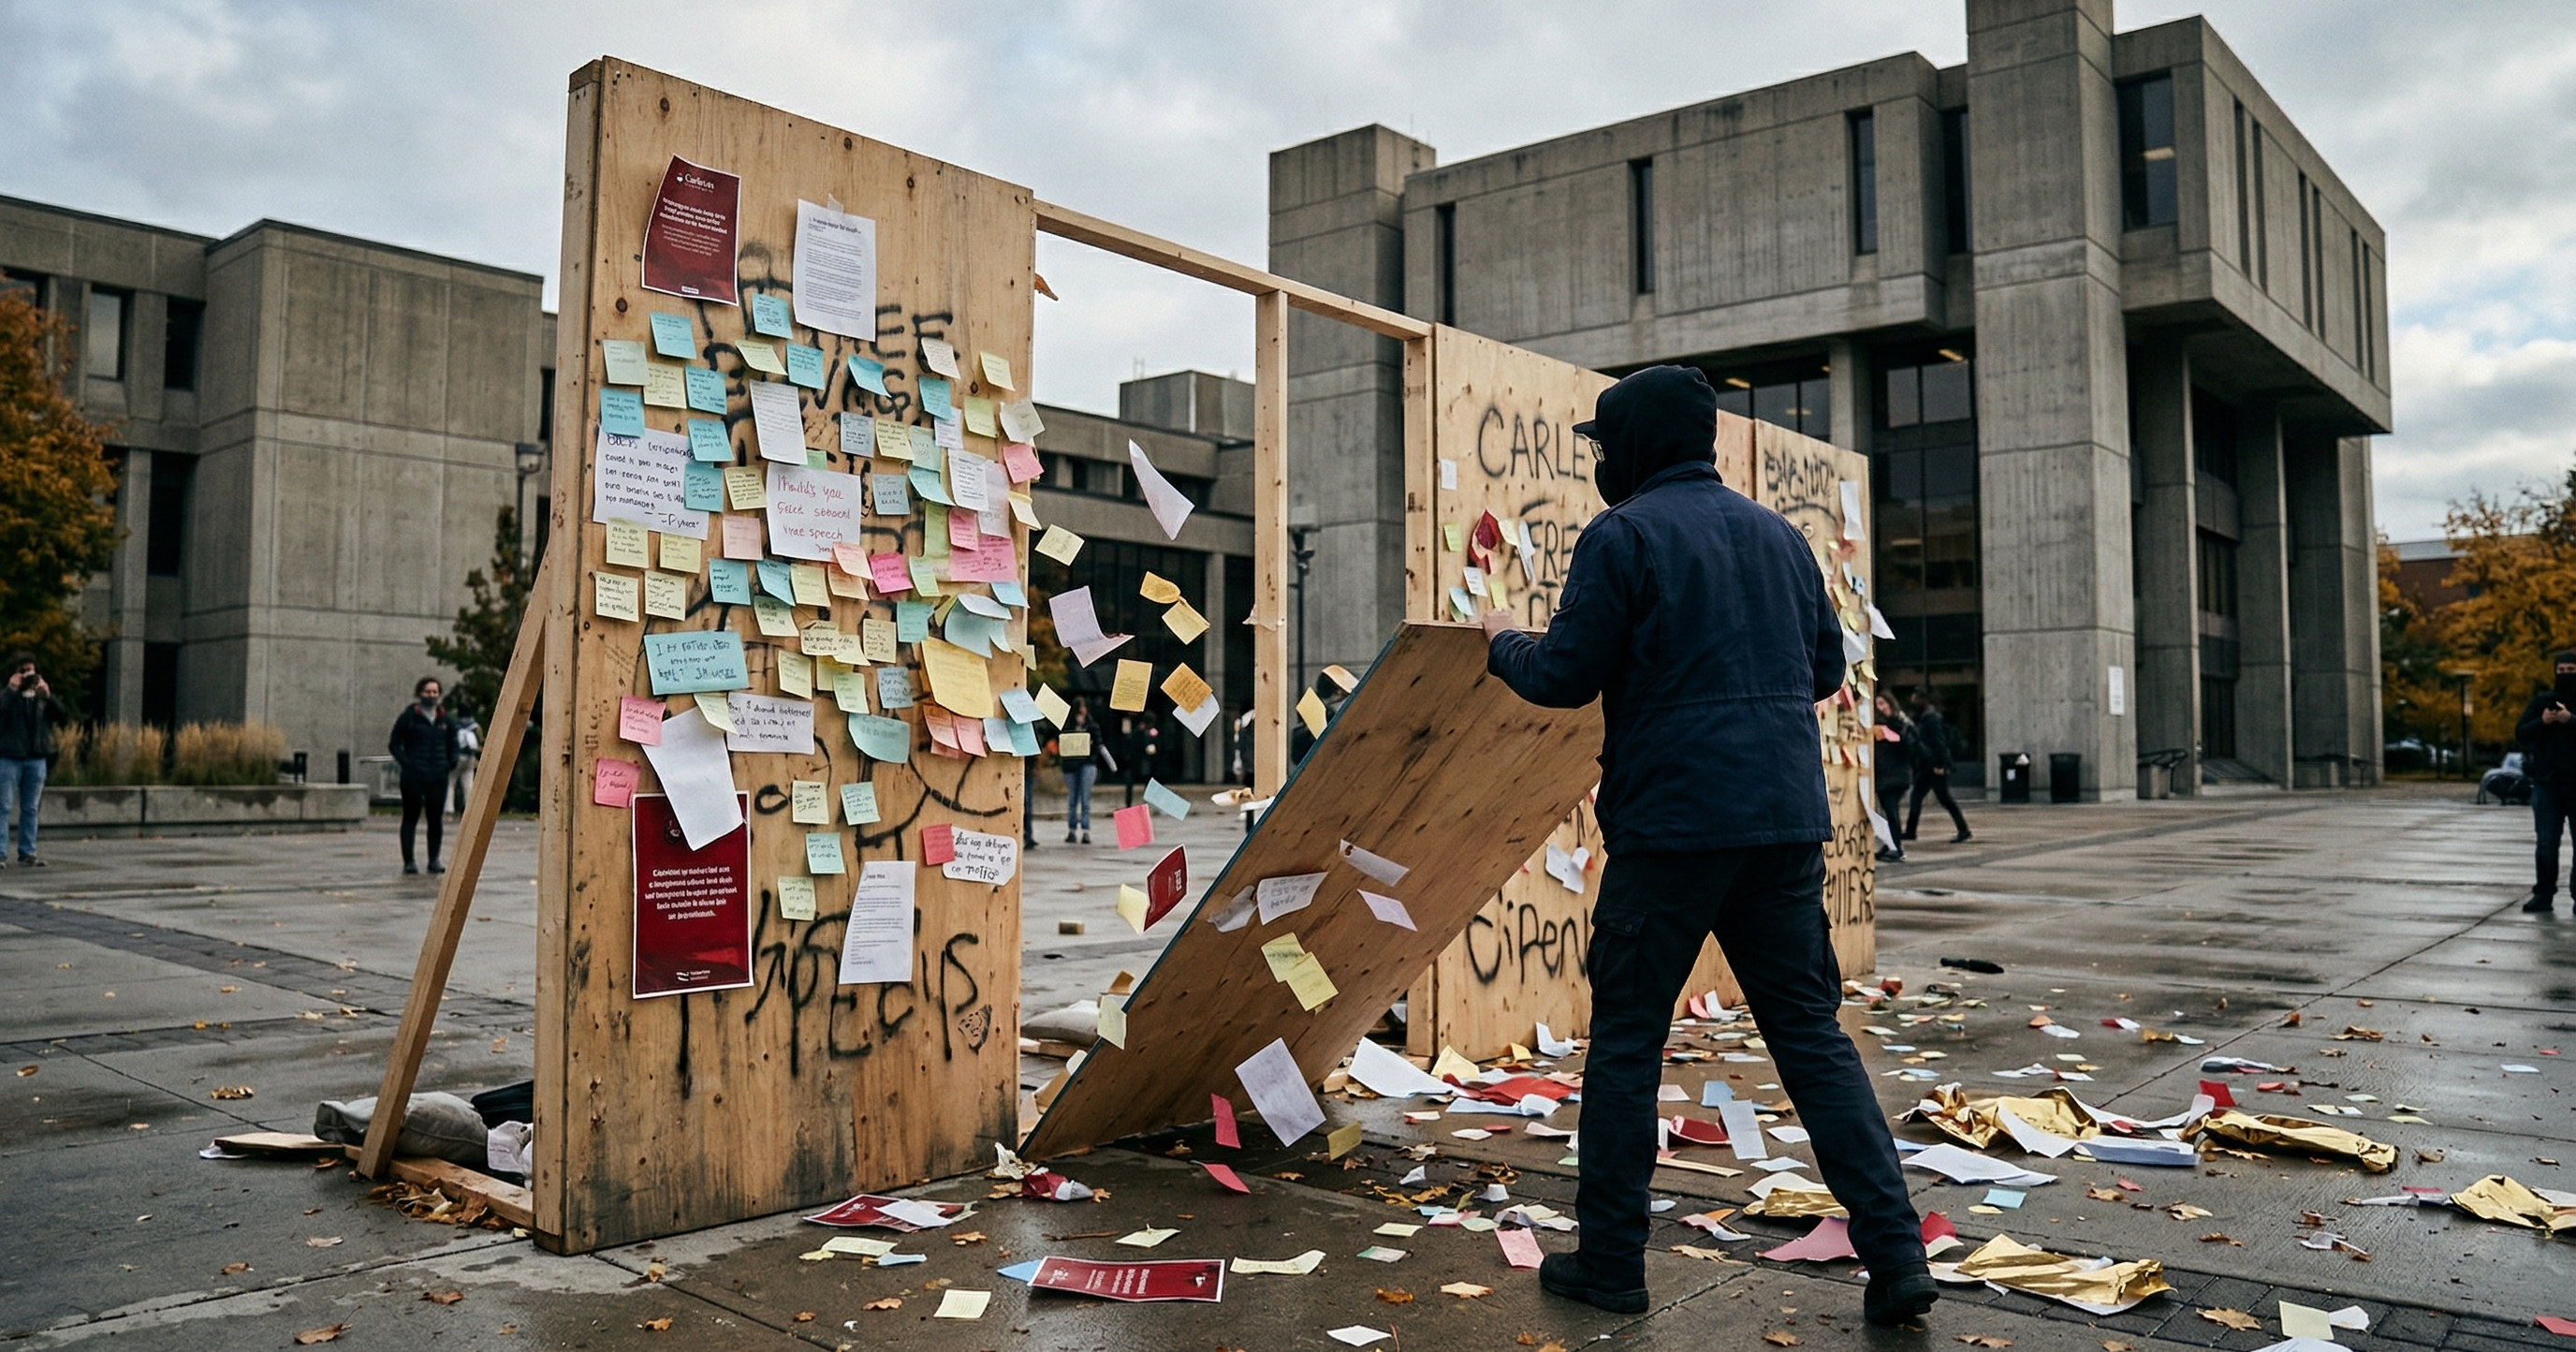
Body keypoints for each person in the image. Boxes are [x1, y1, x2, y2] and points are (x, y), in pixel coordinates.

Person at [1479, 364, 1935, 1326]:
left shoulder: (1623, 533)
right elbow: (1822, 669)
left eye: (1605, 447)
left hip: (1672, 827)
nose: (1601, 463)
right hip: (1781, 822)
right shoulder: (1782, 537)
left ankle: (1610, 1261)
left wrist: (1500, 637)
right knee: (1810, 1036)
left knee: (1630, 1041)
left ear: (1634, 447)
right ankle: (1895, 1255)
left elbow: (1562, 673)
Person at [2513, 651, 2576, 915]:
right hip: (2547, 784)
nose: (2565, 675)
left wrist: (2571, 721)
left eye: (2571, 670)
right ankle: (2544, 894)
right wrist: (2543, 721)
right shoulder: (2542, 702)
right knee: (2546, 843)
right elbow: (2521, 733)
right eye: (2561, 670)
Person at [0, 653, 69, 868]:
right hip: (10, 757)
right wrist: (12, 690)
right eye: (23, 671)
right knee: (4, 806)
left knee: (31, 808)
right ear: (14, 673)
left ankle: (28, 852)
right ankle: (0, 853)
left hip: (36, 758)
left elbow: (64, 717)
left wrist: (49, 696)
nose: (27, 675)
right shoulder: (7, 696)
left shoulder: (40, 698)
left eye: (31, 671)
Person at [388, 677, 459, 875]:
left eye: (435, 692)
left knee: (435, 819)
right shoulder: (409, 717)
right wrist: (407, 763)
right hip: (414, 776)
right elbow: (394, 744)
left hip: (437, 776)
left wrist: (449, 763)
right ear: (420, 693)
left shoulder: (446, 720)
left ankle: (434, 859)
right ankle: (409, 861)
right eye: (428, 692)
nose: (432, 695)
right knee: (410, 817)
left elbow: (454, 745)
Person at [1905, 690, 1972, 845]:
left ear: (1922, 700)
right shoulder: (1925, 718)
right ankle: (1910, 831)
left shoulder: (1931, 719)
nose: (1913, 703)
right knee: (1922, 797)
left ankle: (1964, 830)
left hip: (1934, 766)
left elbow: (1939, 743)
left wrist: (1940, 765)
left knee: (1942, 799)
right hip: (1927, 765)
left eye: (1915, 699)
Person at [1057, 700, 1113, 845]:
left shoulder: (1092, 726)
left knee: (1085, 798)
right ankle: (1072, 829)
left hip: (1087, 764)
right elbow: (1063, 740)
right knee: (1072, 799)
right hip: (1071, 766)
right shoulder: (1068, 725)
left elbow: (1098, 742)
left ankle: (1086, 830)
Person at [1873, 693, 1915, 863]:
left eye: (1883, 703)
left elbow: (1909, 746)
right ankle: (1889, 844)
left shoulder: (1900, 723)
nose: (1881, 708)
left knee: (1891, 812)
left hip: (1896, 775)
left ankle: (1896, 847)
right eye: (1878, 705)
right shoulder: (1880, 724)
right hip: (1886, 775)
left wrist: (1895, 731)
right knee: (1887, 812)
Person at [1120, 711, 1162, 806]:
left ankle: (1146, 802)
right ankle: (1128, 803)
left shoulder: (1153, 733)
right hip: (1137, 760)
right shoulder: (1138, 732)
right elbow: (1133, 744)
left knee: (1148, 781)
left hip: (1147, 760)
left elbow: (1158, 745)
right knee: (1130, 782)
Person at [447, 709, 482, 816]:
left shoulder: (455, 725)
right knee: (468, 783)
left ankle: (449, 809)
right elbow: (480, 738)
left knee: (450, 783)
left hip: (457, 757)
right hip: (470, 757)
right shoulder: (474, 725)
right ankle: (470, 809)